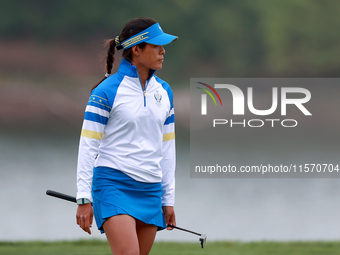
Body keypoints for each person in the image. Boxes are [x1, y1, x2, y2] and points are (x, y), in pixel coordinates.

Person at [75, 17, 178, 255]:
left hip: (151, 189)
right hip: (113, 184)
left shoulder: (165, 92)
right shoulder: (106, 91)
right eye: (156, 46)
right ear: (136, 49)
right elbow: (88, 144)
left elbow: (168, 148)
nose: (163, 51)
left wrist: (168, 198)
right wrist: (83, 197)